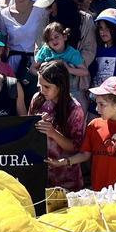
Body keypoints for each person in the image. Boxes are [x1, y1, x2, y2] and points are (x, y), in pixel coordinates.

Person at [30, 61, 88, 191]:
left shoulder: (74, 109)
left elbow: (76, 147)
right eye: (40, 86)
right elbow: (29, 134)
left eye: (47, 87)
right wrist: (35, 124)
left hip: (66, 176)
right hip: (41, 173)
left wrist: (53, 133)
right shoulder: (37, 100)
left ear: (60, 86)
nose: (42, 90)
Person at [0, 0, 48, 91]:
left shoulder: (41, 10)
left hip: (37, 63)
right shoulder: (4, 14)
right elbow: (3, 44)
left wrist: (39, 63)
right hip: (13, 65)